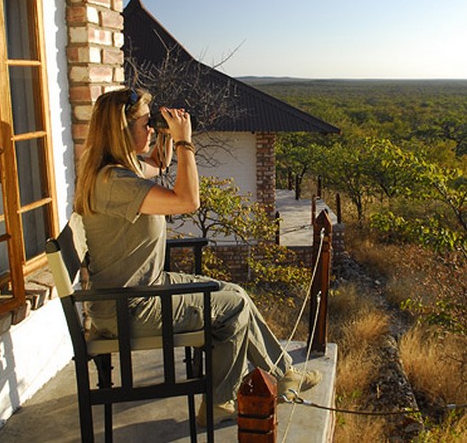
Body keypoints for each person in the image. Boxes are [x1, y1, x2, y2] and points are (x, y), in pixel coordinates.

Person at [74, 87, 321, 426]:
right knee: (232, 309)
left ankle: (278, 376)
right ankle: (226, 398)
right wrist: (184, 142)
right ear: (120, 131)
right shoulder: (116, 182)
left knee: (234, 294)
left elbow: (157, 165)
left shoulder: (112, 172)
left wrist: (164, 137)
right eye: (145, 125)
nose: (150, 130)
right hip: (130, 307)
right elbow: (188, 200)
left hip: (133, 296)